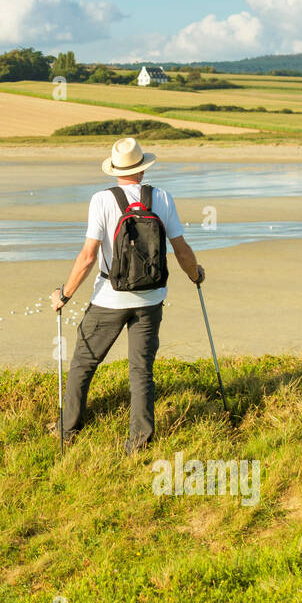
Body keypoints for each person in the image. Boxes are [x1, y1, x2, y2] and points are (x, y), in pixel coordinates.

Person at [50, 136, 205, 454]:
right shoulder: (161, 197)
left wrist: (64, 295)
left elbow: (88, 257)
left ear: (115, 169)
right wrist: (195, 275)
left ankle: (69, 429)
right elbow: (180, 248)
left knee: (84, 361)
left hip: (109, 298)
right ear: (143, 168)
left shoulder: (101, 200)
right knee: (141, 369)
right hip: (151, 297)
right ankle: (140, 442)